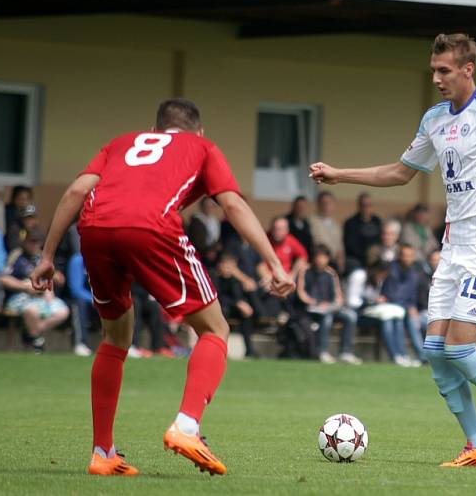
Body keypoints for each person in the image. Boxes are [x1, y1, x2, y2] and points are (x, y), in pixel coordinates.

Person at [309, 33, 476, 467]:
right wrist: (340, 175)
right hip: (453, 245)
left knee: (458, 348)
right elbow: (401, 172)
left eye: (444, 70)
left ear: (468, 69)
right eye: (433, 71)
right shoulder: (435, 119)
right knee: (436, 352)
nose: (437, 78)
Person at [30, 98, 295, 477]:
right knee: (215, 329)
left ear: (154, 131)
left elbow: (75, 192)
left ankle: (103, 452)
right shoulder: (203, 147)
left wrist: (47, 256)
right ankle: (187, 427)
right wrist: (273, 262)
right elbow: (232, 204)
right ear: (198, 131)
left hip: (95, 229)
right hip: (150, 227)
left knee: (115, 338)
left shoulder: (121, 143)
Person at [1, 229, 69, 353]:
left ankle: (31, 334)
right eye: (31, 241)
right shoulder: (17, 256)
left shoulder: (42, 258)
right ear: (25, 242)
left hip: (42, 298)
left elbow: (59, 279)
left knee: (63, 311)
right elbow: (4, 278)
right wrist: (24, 286)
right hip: (20, 296)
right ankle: (37, 343)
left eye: (36, 242)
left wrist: (53, 278)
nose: (33, 245)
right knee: (32, 311)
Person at [296, 245, 360, 364]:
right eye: (318, 257)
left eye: (324, 257)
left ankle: (346, 352)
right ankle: (323, 351)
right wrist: (315, 302)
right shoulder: (305, 271)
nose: (321, 260)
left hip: (329, 307)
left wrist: (334, 304)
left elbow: (338, 296)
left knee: (351, 316)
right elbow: (301, 293)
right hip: (311, 309)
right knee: (327, 318)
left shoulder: (331, 273)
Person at [381, 244, 426, 365]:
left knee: (412, 320)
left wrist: (412, 307)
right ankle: (397, 355)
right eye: (404, 256)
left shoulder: (414, 273)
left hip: (404, 308)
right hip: (389, 307)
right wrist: (409, 307)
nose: (407, 258)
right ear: (399, 256)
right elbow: (391, 295)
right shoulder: (392, 269)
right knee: (392, 321)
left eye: (410, 256)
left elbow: (412, 296)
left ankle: (419, 357)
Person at [343, 193, 382, 270]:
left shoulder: (377, 221)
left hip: (375, 257)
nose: (366, 208)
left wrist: (374, 251)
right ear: (359, 206)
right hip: (357, 259)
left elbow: (381, 240)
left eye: (369, 205)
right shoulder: (350, 223)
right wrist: (366, 255)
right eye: (363, 205)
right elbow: (350, 245)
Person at [308, 191, 344, 273]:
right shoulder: (311, 221)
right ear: (318, 205)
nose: (326, 206)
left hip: (334, 262)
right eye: (323, 203)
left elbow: (340, 247)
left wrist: (340, 260)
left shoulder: (336, 225)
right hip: (318, 261)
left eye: (329, 203)